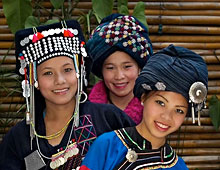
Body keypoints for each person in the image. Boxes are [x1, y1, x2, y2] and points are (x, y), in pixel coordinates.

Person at [0, 20, 135, 170]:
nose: (60, 80)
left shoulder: (109, 120)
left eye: (67, 70)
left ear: (80, 72)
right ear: (33, 80)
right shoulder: (19, 138)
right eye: (48, 73)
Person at [80, 44, 208, 170]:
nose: (166, 116)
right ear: (143, 97)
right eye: (160, 103)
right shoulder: (106, 146)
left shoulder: (178, 167)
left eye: (179, 110)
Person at [87, 14, 153, 124]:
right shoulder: (87, 114)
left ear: (140, 68)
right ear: (101, 71)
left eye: (127, 67)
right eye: (110, 68)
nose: (119, 76)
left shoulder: (152, 112)